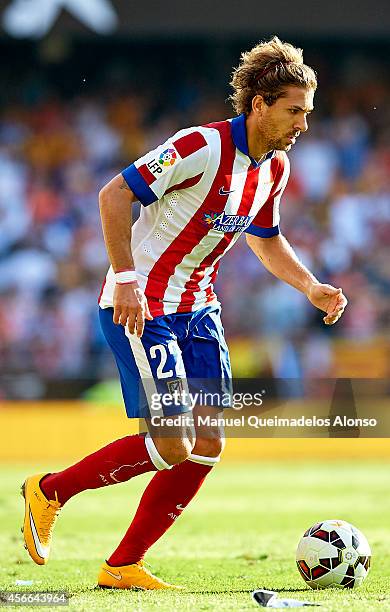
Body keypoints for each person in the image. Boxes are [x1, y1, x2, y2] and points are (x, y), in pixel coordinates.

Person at [21, 36, 347, 590]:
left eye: (308, 113)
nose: (302, 125)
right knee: (172, 442)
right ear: (259, 104)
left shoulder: (275, 169)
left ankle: (122, 565)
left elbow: (266, 239)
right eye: (293, 111)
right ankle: (50, 491)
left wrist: (310, 285)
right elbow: (113, 196)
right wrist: (124, 279)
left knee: (209, 443)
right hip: (143, 308)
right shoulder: (199, 145)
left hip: (200, 311)